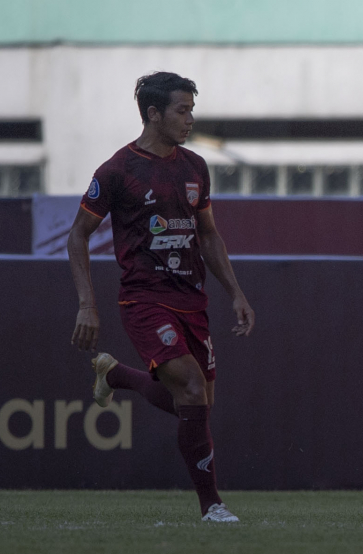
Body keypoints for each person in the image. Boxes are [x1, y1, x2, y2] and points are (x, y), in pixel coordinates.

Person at [68, 71, 255, 523]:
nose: (190, 120)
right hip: (144, 300)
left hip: (192, 299)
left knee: (195, 404)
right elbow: (77, 236)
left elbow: (208, 235)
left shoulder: (195, 167)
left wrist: (235, 292)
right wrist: (87, 303)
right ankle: (212, 506)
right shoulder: (117, 170)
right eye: (182, 110)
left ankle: (117, 376)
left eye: (192, 110)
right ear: (154, 114)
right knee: (190, 386)